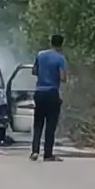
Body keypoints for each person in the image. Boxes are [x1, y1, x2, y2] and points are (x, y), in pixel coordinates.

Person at [30, 34, 67, 162]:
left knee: (38, 123)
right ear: (61, 44)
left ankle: (34, 151)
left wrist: (43, 74)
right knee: (50, 124)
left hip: (39, 92)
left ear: (50, 42)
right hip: (52, 93)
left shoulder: (40, 55)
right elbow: (62, 77)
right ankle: (48, 154)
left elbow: (34, 71)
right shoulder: (60, 58)